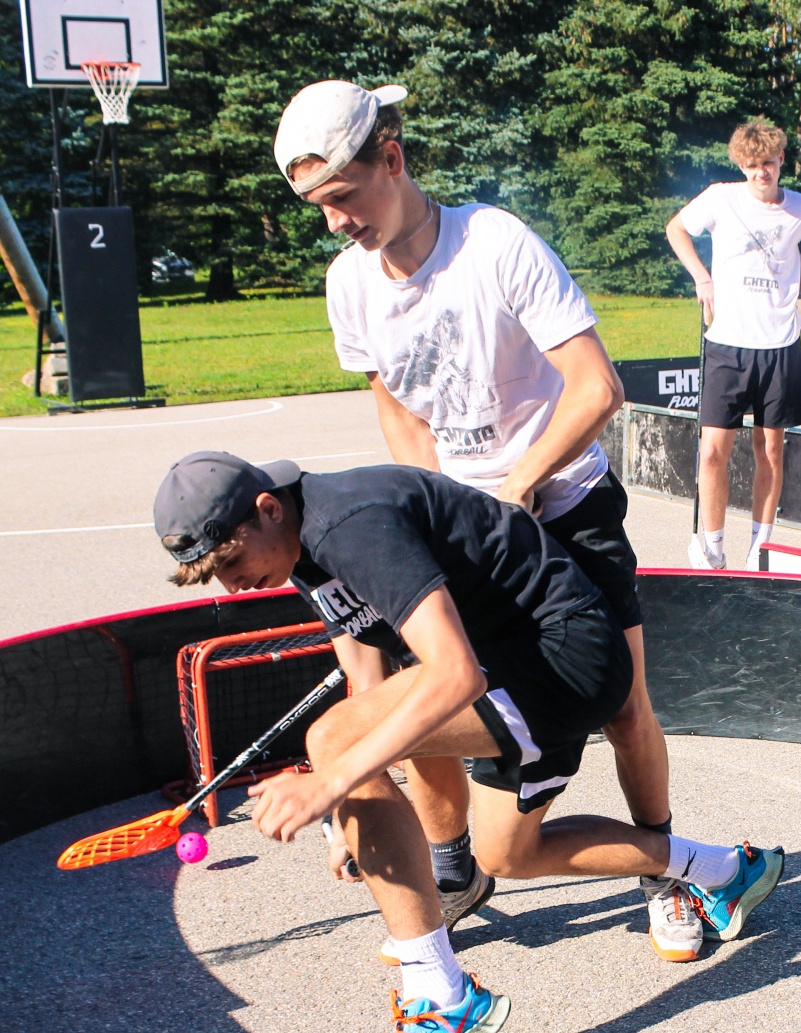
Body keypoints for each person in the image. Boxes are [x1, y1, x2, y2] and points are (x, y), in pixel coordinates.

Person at [154, 452, 785, 1033]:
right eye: (215, 575)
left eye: (230, 560)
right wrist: (349, 808)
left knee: (331, 740)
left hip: (560, 660)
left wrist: (332, 777)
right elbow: (370, 685)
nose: (230, 584)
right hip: (510, 669)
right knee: (508, 855)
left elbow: (453, 675)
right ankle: (722, 871)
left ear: (267, 508)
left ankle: (440, 999)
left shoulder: (348, 523)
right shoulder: (300, 547)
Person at [273, 80, 705, 963]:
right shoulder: (347, 284)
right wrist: (436, 514)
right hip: (466, 527)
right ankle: (454, 870)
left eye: (344, 197)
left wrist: (516, 486)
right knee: (420, 694)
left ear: (392, 159)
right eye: (318, 209)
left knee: (625, 708)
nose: (336, 223)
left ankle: (667, 873)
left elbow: (597, 388)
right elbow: (398, 410)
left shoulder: (494, 242)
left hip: (565, 502)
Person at [665, 120, 801, 572]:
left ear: (781, 161)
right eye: (752, 165)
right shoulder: (721, 197)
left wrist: (797, 281)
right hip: (727, 344)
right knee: (713, 450)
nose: (761, 173)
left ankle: (760, 549)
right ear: (741, 165)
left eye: (769, 163)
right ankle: (714, 548)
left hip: (779, 344)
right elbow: (676, 229)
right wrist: (702, 278)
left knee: (770, 450)